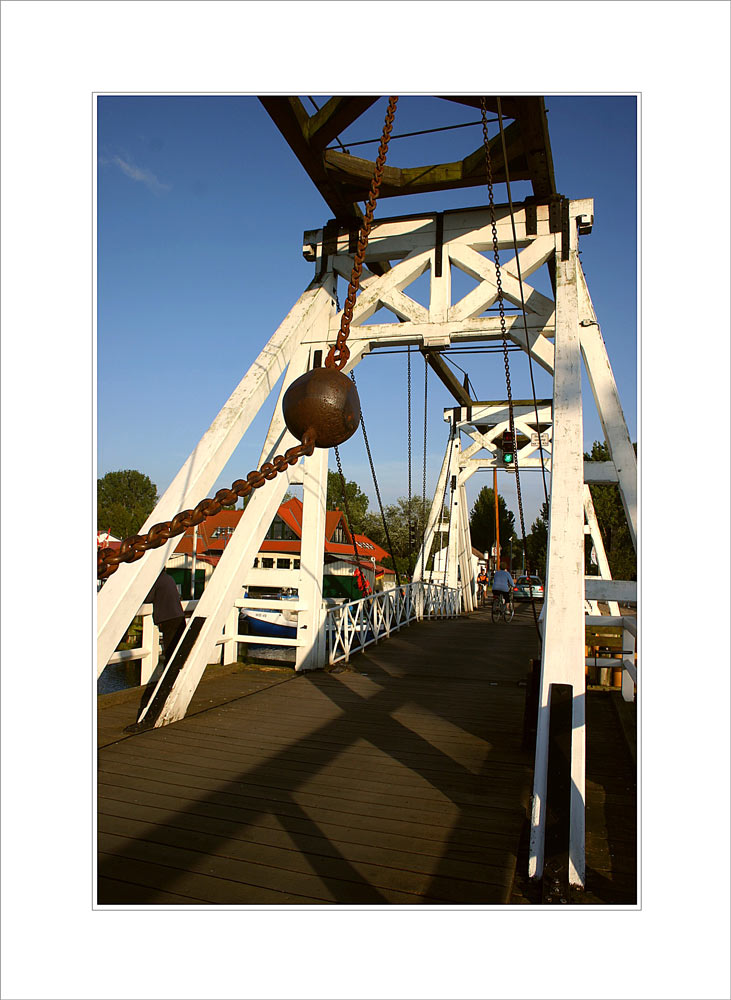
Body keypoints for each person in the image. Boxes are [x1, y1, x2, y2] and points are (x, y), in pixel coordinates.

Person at [145, 570, 186, 662]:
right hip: (178, 616)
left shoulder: (156, 580)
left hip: (168, 618)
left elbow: (148, 599)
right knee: (178, 649)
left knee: (170, 650)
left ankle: (171, 674)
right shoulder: (169, 578)